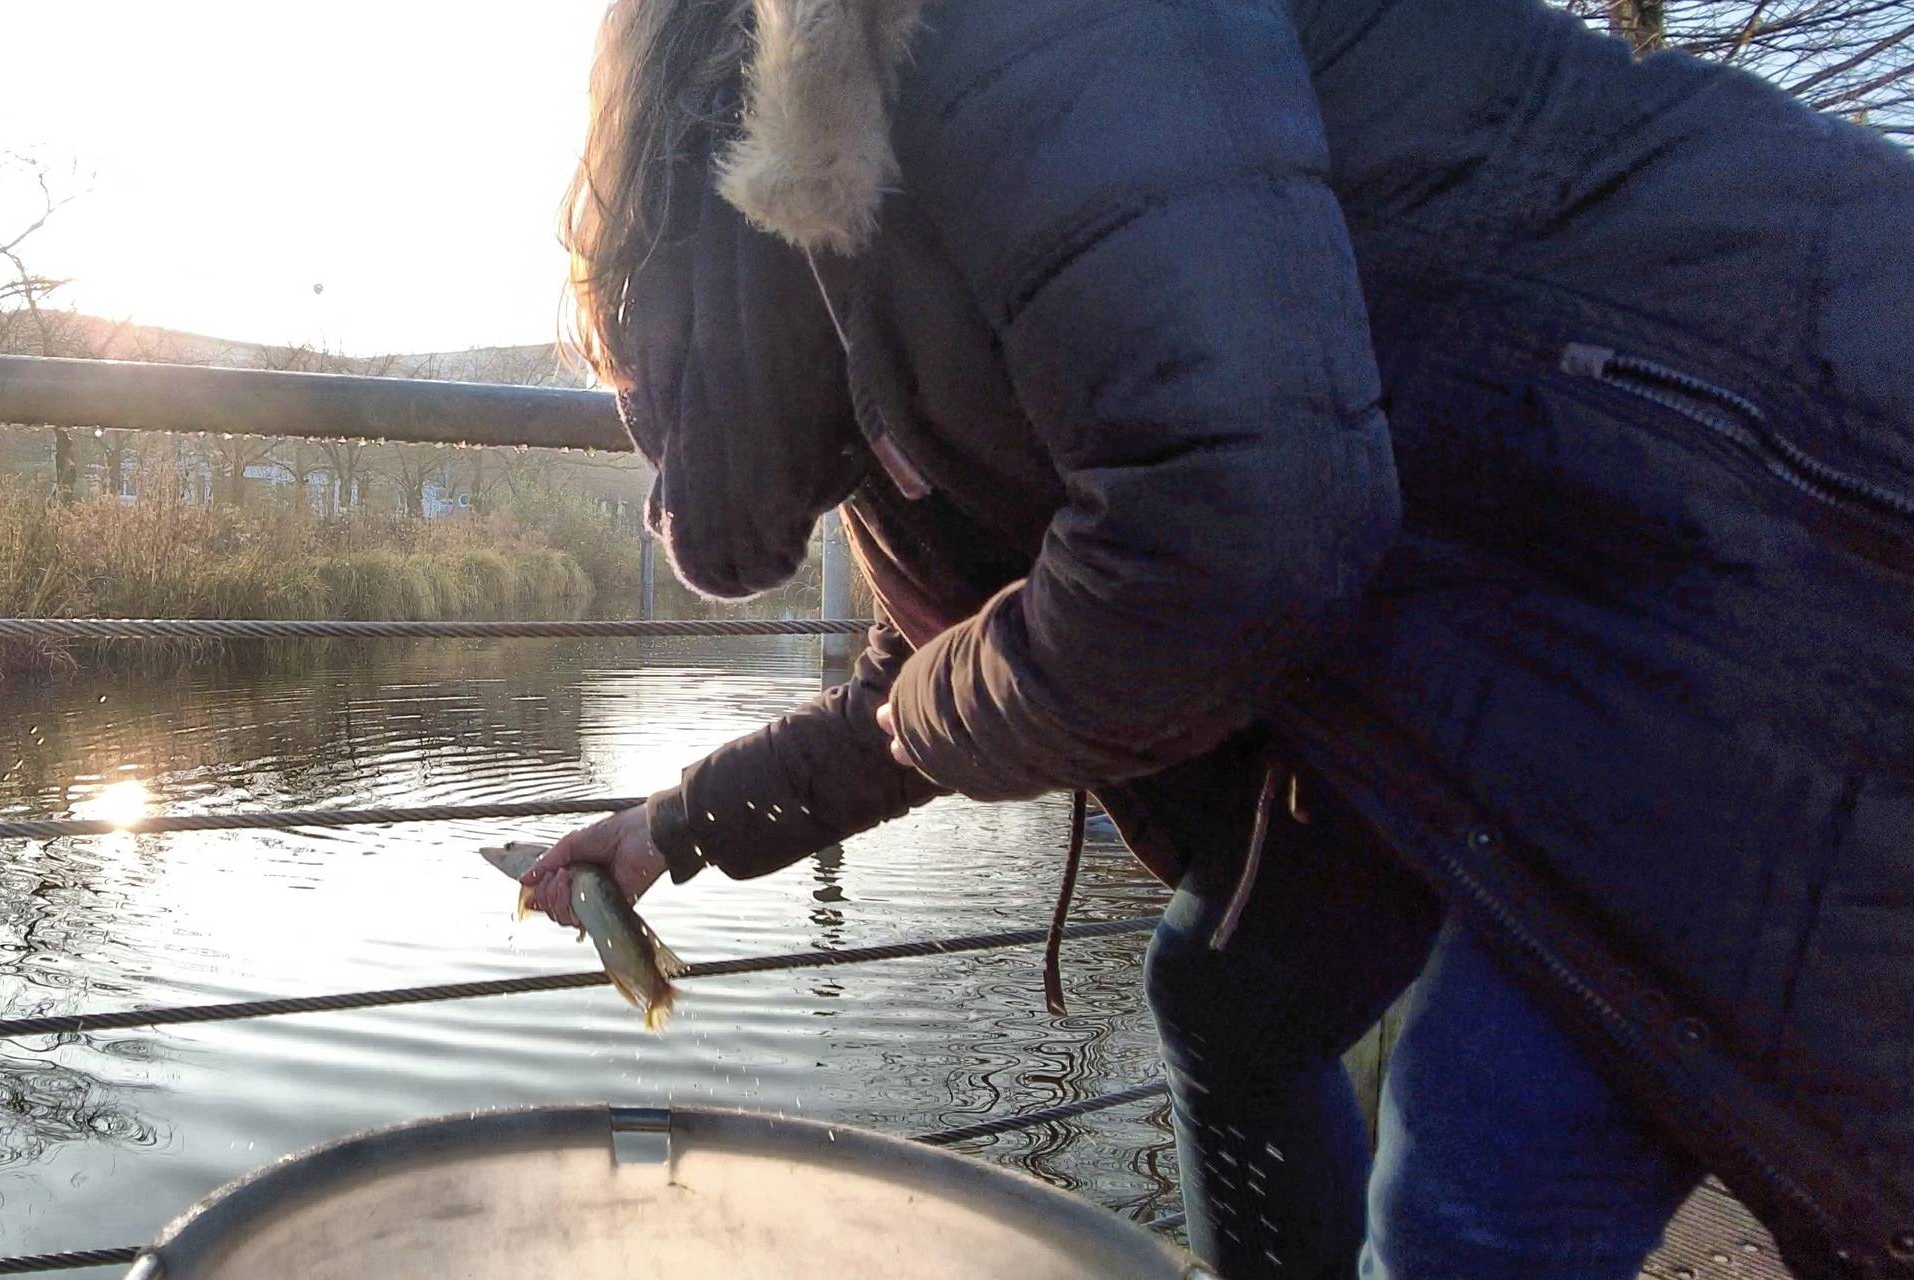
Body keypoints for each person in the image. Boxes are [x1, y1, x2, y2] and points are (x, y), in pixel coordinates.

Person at [515, 0, 1914, 1276]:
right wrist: (667, 829)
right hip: (1510, 614)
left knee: (1474, 1195)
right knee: (1234, 1002)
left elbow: (1245, 524)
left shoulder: (995, 45)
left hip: (1761, 547)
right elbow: (928, 671)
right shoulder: (887, 287)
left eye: (637, 359)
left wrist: (931, 705)